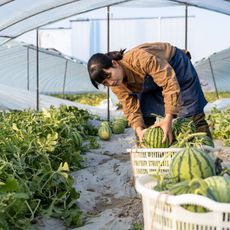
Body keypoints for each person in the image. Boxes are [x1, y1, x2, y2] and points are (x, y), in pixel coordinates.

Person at [87, 42, 212, 144]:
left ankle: (207, 155)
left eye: (109, 76)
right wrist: (138, 129)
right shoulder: (116, 84)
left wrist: (169, 118)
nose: (111, 82)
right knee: (146, 120)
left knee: (192, 116)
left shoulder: (139, 59)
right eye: (105, 83)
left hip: (176, 68)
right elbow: (130, 108)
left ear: (114, 63)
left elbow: (169, 83)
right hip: (150, 83)